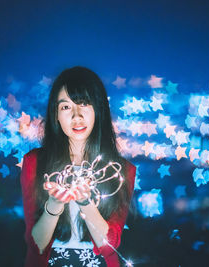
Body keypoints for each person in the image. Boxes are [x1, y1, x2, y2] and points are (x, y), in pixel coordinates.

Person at [20, 66, 136, 267]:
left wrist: (85, 202)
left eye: (84, 103)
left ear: (98, 110)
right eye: (66, 107)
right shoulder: (35, 163)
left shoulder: (119, 170)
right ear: (55, 114)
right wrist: (54, 206)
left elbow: (109, 246)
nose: (76, 116)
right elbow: (36, 244)